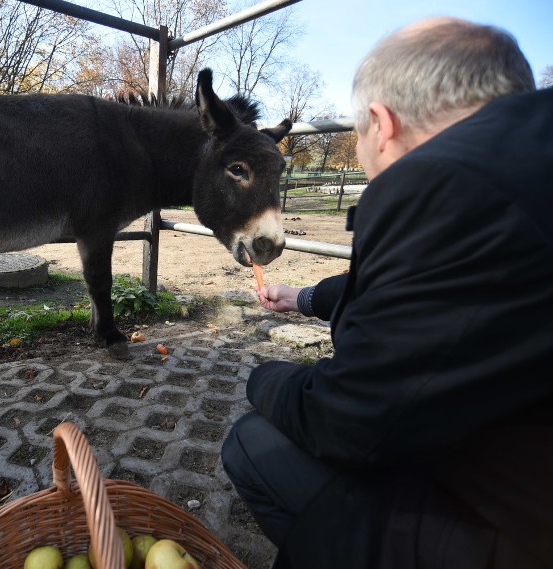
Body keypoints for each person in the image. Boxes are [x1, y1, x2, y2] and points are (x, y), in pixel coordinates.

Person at [221, 17, 553, 569]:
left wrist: (263, 378)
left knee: (253, 442)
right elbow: (444, 300)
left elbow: (351, 419)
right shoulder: (521, 164)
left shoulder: (443, 185)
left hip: (526, 533)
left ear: (381, 123)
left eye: (357, 134)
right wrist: (303, 296)